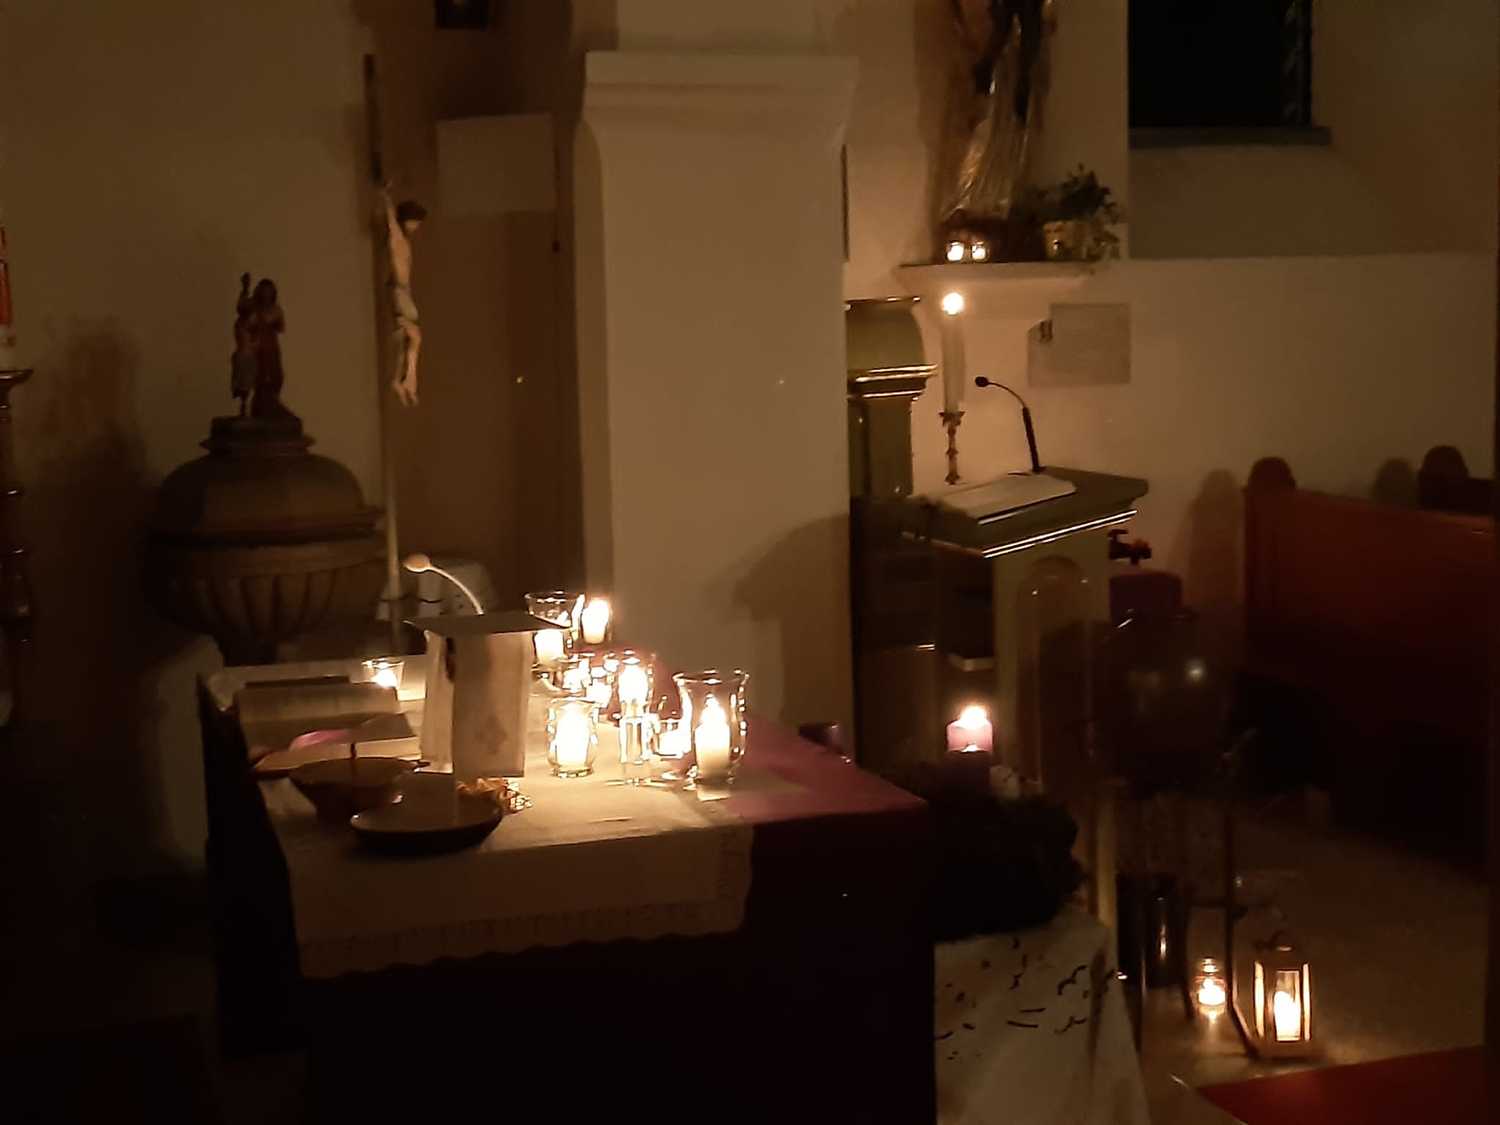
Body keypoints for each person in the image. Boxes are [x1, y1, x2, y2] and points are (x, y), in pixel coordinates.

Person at [380, 184, 426, 406]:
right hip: (399, 291)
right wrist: (386, 196)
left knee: (407, 338)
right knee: (414, 336)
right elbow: (391, 220)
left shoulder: (403, 240)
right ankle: (407, 381)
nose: (417, 227)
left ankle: (403, 381)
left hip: (402, 291)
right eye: (416, 222)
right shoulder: (397, 236)